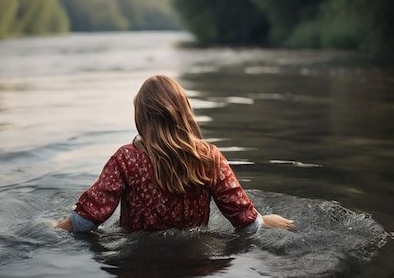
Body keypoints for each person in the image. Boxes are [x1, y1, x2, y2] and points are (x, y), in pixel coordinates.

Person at [57, 75, 293, 234]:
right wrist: (264, 221)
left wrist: (51, 228)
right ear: (183, 112)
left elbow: (86, 220)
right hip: (195, 262)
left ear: (141, 117)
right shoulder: (209, 158)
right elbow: (245, 221)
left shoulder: (125, 159)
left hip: (138, 262)